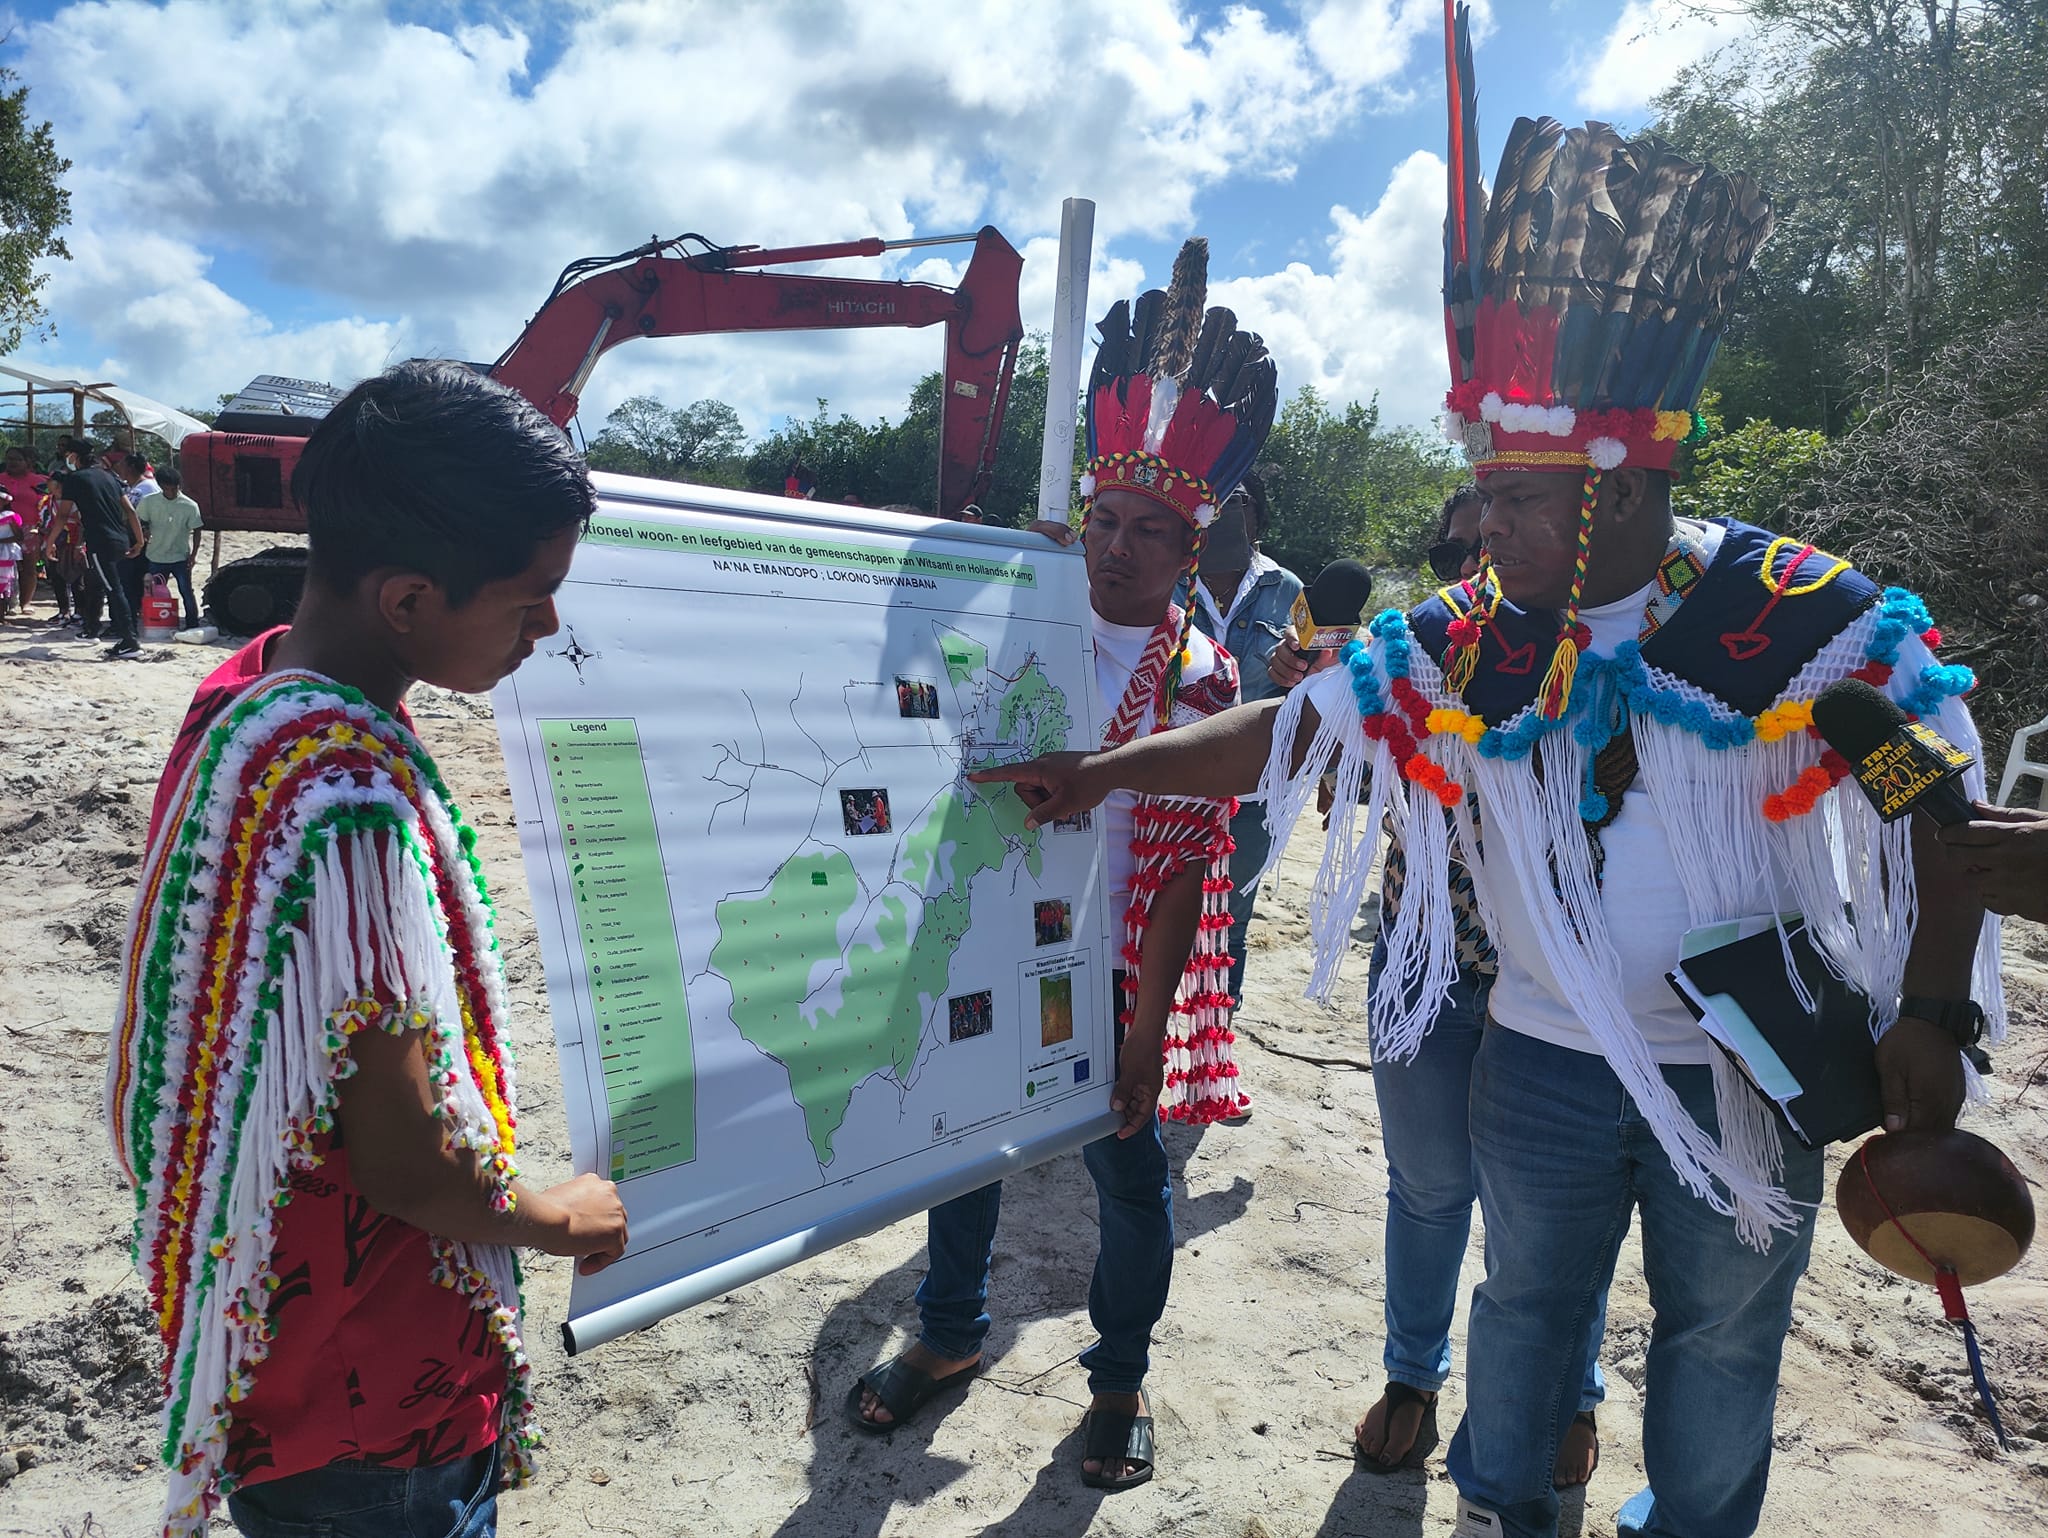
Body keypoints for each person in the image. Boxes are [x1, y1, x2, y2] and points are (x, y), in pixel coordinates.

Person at [973, 28, 1996, 1536]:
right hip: (1543, 1063)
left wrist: (1931, 1012)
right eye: (1492, 492)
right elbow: (1292, 727)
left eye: (1519, 498)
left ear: (1629, 491)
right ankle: (1512, 1511)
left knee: (1721, 1338)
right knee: (1521, 1309)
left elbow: (1936, 820)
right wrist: (1109, 769)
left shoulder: (1806, 624)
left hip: (1744, 1077)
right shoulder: (1464, 640)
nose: (1482, 521)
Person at [108, 360, 629, 1538]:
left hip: (272, 1339)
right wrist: (560, 1216)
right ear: (406, 600)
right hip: (372, 1405)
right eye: (529, 597)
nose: (547, 627)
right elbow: (404, 1165)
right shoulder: (348, 807)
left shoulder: (250, 691)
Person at [845, 239, 1276, 1492]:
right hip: (988, 931)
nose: (1118, 548)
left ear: (1190, 544)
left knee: (1128, 1174)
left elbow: (1189, 864)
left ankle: (1119, 1375)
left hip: (1113, 965)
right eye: (1103, 520)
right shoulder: (1006, 623)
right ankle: (946, 1330)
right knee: (965, 1146)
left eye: (1150, 529)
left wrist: (1143, 1030)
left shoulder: (1203, 679)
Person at [1347, 484, 1608, 1486]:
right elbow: (1352, 788)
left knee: (1545, 1212)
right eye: (1456, 549)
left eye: (1493, 541)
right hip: (1424, 972)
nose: (1476, 566)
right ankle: (1411, 1375)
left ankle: (1567, 1391)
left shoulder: (1606, 666)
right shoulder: (1411, 657)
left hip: (1559, 988)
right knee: (1425, 1189)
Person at [1179, 468, 1304, 1003]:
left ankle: (1213, 1049)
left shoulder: (1289, 589)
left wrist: (1300, 663)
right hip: (1170, 783)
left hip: (1254, 795)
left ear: (1258, 514)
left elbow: (1317, 672)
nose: (1227, 510)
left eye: (1240, 500)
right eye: (1216, 497)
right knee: (1158, 914)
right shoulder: (1169, 575)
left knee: (1228, 925)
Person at [51, 438, 143, 655]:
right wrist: (138, 541)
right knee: (114, 587)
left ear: (74, 457)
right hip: (120, 539)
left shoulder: (75, 479)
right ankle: (116, 636)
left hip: (100, 542)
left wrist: (50, 543)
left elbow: (63, 515)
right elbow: (130, 511)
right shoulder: (110, 476)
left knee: (114, 590)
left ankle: (130, 641)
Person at [134, 465, 205, 629]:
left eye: (174, 489)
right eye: (167, 489)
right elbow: (139, 519)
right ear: (160, 486)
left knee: (186, 591)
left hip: (180, 556)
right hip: (156, 555)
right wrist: (143, 533)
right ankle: (157, 622)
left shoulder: (190, 505)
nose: (171, 493)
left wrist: (193, 555)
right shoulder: (150, 502)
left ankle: (192, 623)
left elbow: (197, 530)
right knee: (154, 591)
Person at [0, 445, 45, 616]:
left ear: (28, 462)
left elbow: (47, 504)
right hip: (3, 529)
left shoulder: (39, 481)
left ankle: (25, 603)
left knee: (28, 566)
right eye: (9, 458)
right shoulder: (0, 478)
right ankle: (7, 603)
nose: (12, 462)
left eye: (17, 459)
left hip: (29, 528)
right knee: (5, 567)